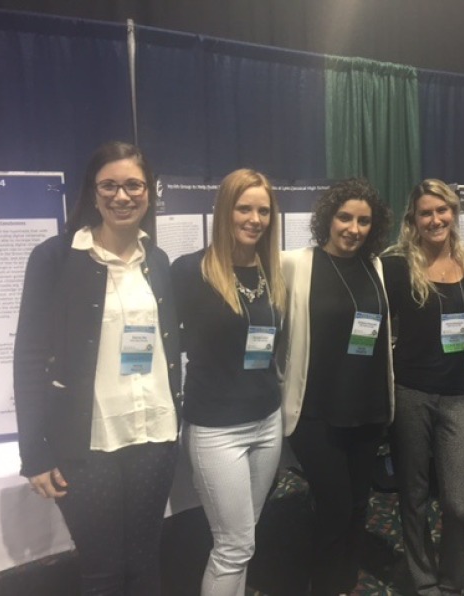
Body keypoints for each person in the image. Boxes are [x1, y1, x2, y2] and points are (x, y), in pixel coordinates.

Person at [14, 141, 181, 595]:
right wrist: (35, 453)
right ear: (92, 191)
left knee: (145, 559)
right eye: (109, 185)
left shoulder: (158, 261)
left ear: (149, 192)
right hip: (88, 446)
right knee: (103, 570)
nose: (121, 196)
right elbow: (28, 357)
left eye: (133, 185)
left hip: (155, 435)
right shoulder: (55, 258)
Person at [277, 178, 394, 596]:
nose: (353, 228)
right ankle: (324, 585)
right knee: (335, 504)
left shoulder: (376, 265)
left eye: (364, 221)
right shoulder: (295, 263)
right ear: (328, 217)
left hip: (367, 408)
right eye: (345, 217)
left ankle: (345, 581)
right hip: (316, 411)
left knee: (360, 503)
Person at [171, 169, 285, 596]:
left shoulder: (272, 270)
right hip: (217, 429)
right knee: (233, 545)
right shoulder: (189, 271)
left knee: (244, 537)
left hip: (266, 420)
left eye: (263, 210)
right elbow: (166, 342)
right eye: (244, 208)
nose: (255, 218)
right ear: (224, 210)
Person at [381, 179, 464, 595]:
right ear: (414, 220)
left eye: (443, 210)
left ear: (453, 213)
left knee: (458, 504)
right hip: (411, 394)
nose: (435, 219)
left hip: (458, 395)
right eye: (426, 213)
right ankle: (423, 579)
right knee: (414, 494)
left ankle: (452, 579)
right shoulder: (396, 265)